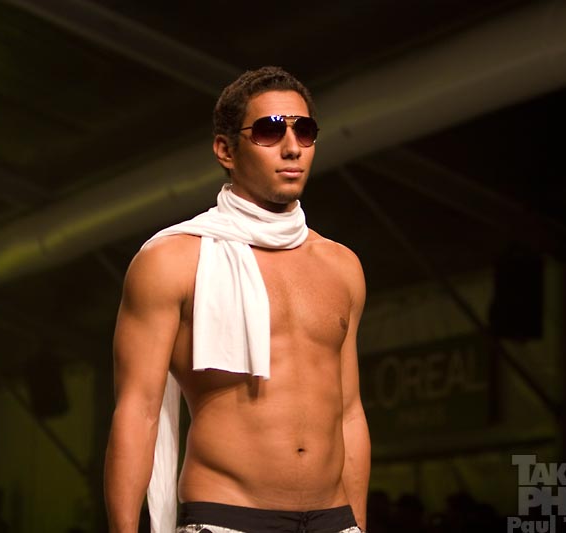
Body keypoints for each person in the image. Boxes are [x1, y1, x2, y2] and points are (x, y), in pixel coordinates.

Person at [104, 66, 370, 533]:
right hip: (227, 517)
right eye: (269, 130)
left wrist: (357, 526)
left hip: (334, 519)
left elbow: (349, 413)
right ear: (226, 150)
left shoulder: (341, 266)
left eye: (304, 131)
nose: (292, 147)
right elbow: (138, 412)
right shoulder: (172, 260)